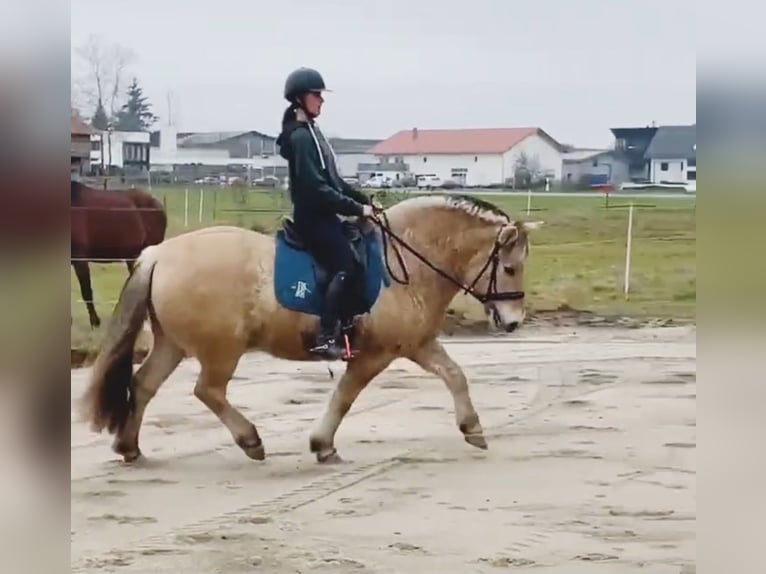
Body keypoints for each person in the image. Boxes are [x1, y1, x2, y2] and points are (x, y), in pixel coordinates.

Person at [276, 67, 379, 360]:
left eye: (321, 95)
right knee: (345, 267)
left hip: (325, 216)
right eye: (316, 95)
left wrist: (364, 200)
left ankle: (348, 325)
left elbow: (335, 181)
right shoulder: (301, 138)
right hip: (314, 219)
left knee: (356, 259)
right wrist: (357, 209)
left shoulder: (312, 132)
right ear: (300, 99)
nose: (321, 101)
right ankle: (325, 337)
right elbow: (316, 189)